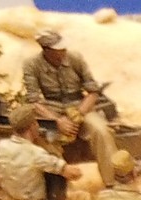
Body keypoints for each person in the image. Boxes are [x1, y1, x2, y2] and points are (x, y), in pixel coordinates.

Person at [21, 29, 120, 189]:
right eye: (58, 50)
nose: (63, 52)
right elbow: (33, 101)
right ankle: (59, 188)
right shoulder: (31, 64)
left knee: (101, 131)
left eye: (63, 48)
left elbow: (93, 92)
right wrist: (57, 121)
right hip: (52, 108)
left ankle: (112, 183)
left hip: (80, 105)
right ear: (46, 50)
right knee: (46, 138)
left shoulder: (75, 59)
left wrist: (78, 114)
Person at [0, 102, 102, 200]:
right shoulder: (36, 154)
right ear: (32, 126)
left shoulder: (1, 147)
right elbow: (74, 174)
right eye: (36, 123)